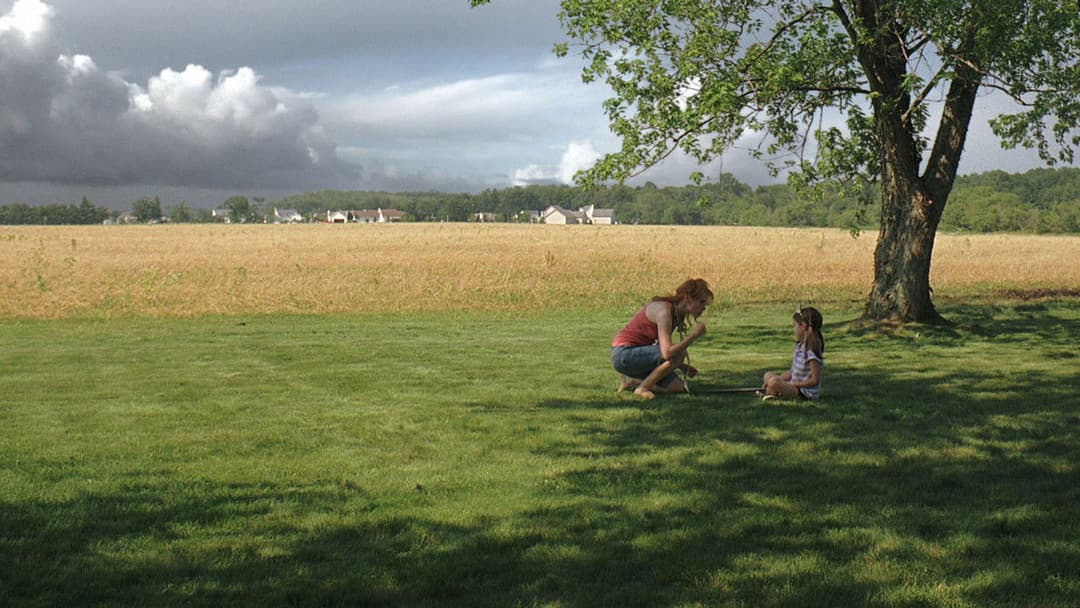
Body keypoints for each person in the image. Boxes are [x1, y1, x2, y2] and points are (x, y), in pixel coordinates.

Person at [610, 278, 713, 399]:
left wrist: (681, 366)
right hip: (624, 354)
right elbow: (667, 353)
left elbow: (660, 346)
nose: (703, 308)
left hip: (637, 354)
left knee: (677, 387)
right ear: (688, 299)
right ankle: (643, 388)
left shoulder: (676, 313)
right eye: (701, 302)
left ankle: (632, 381)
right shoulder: (664, 312)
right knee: (679, 354)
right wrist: (693, 336)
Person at [761, 307, 824, 400]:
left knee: (774, 382)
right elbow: (792, 372)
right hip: (794, 386)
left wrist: (792, 384)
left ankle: (774, 393)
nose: (793, 329)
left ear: (803, 326)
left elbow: (815, 380)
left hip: (803, 392)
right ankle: (773, 390)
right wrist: (780, 379)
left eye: (794, 326)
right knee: (768, 376)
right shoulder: (799, 347)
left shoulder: (811, 352)